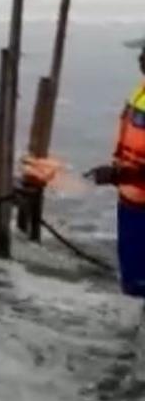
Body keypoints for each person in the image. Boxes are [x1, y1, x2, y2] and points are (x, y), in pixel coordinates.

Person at [87, 42, 145, 298]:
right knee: (133, 282)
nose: (141, 59)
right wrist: (117, 172)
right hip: (132, 203)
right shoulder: (140, 93)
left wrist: (120, 175)